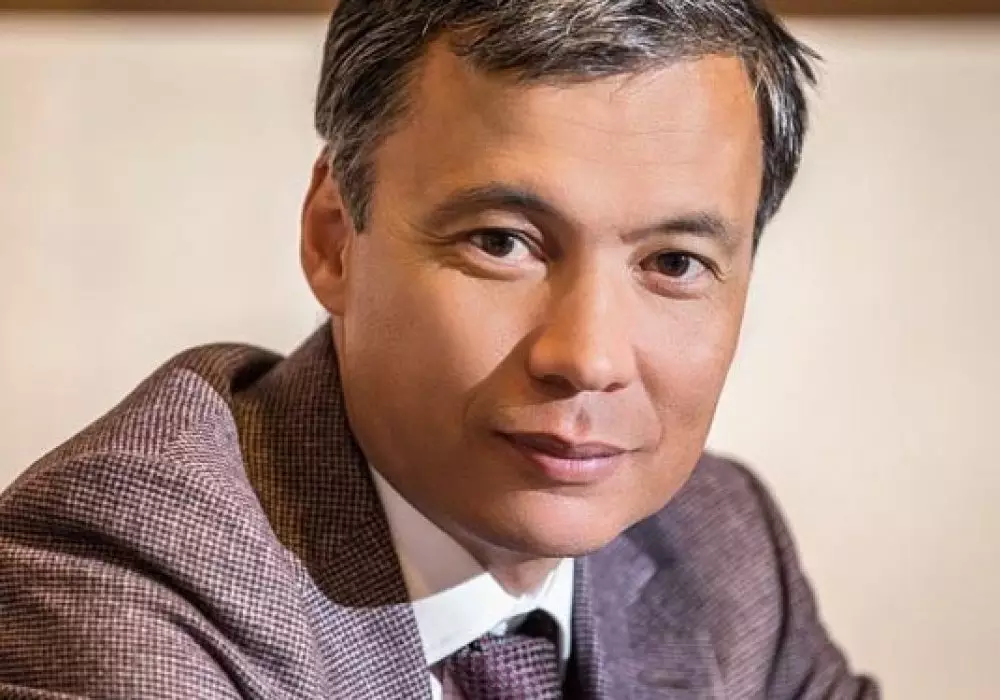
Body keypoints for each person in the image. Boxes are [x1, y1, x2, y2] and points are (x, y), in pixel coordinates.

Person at [0, 1, 880, 698]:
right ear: (334, 239)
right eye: (501, 243)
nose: (589, 358)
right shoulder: (124, 574)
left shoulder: (723, 544)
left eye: (675, 263)